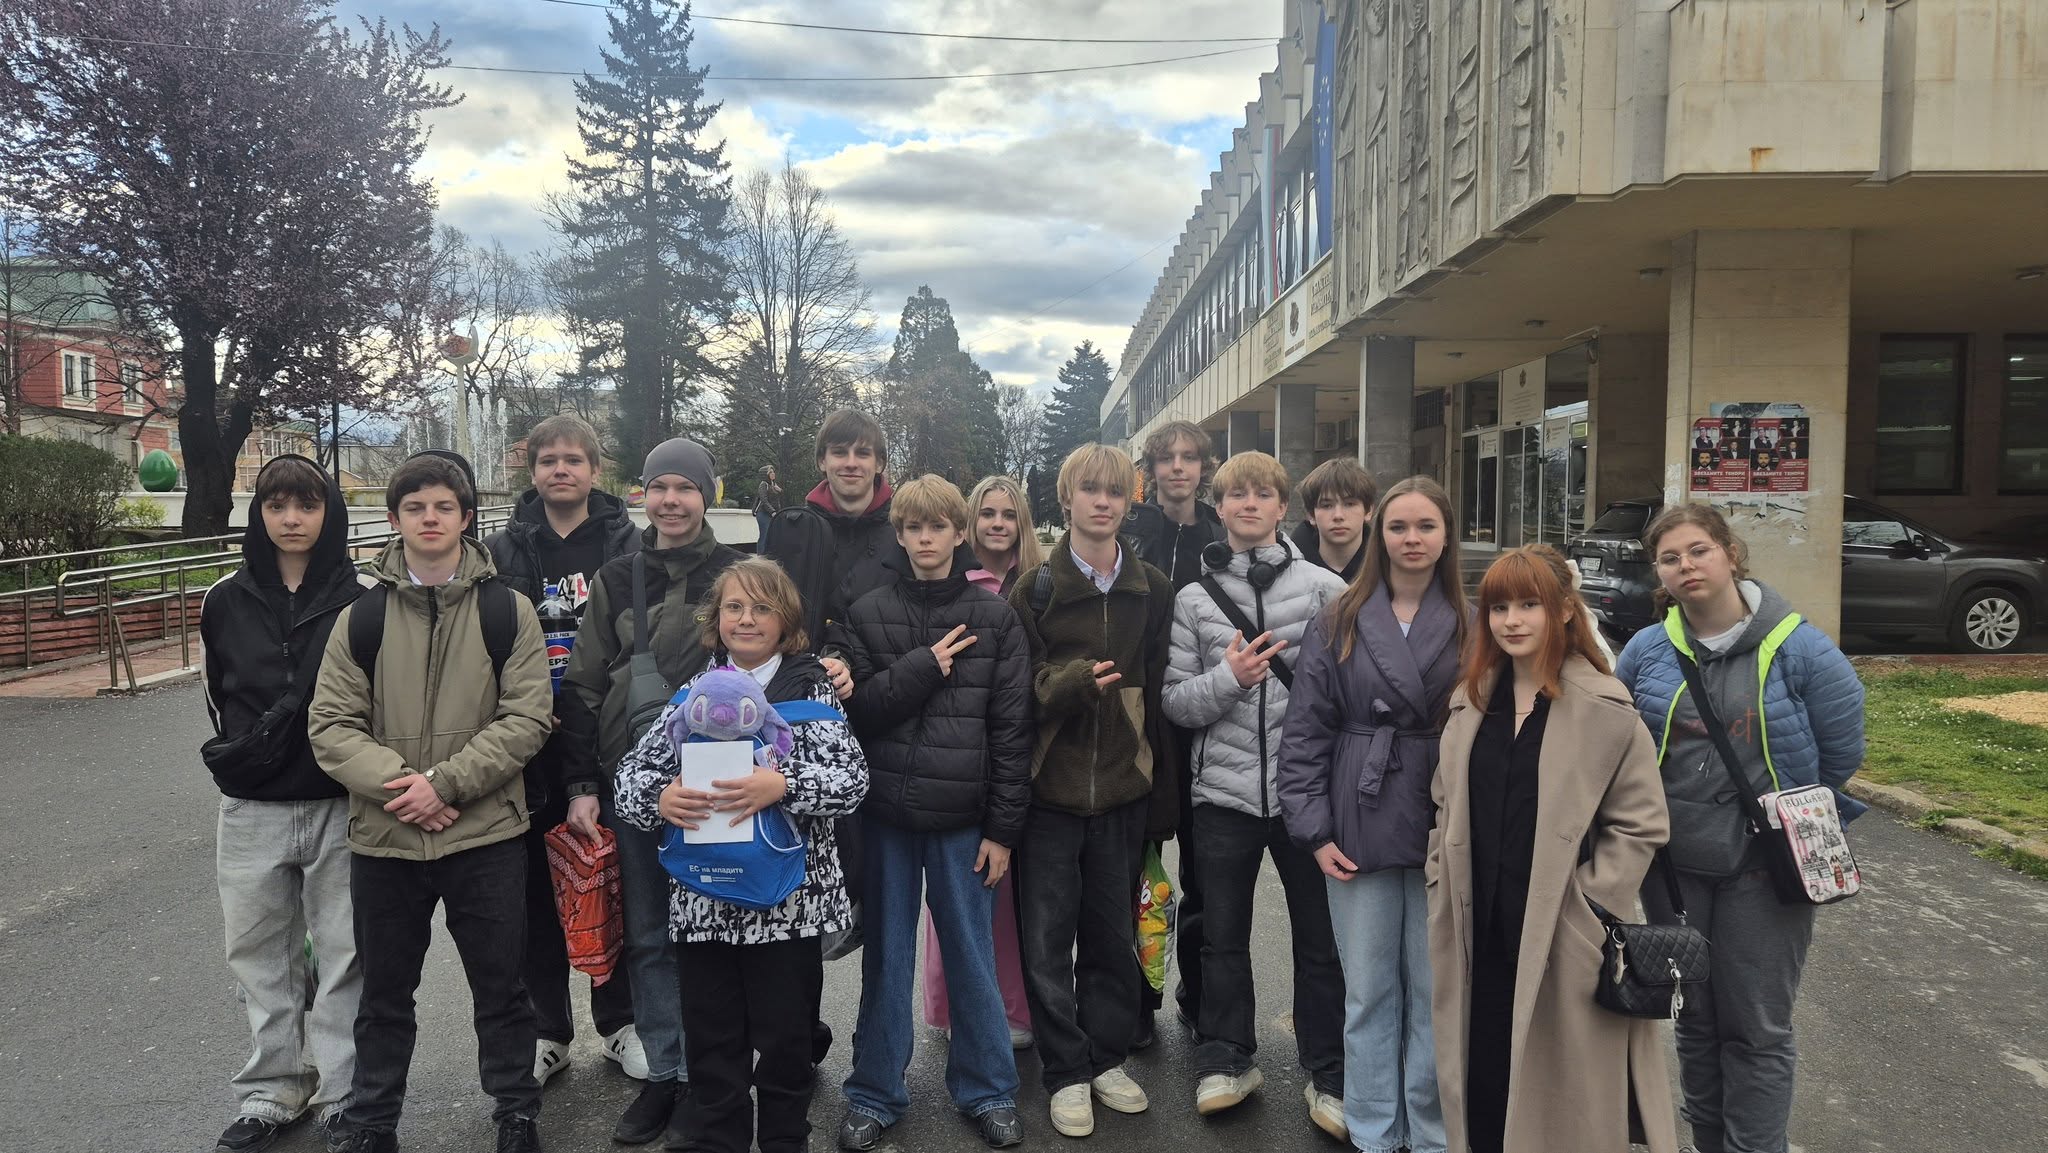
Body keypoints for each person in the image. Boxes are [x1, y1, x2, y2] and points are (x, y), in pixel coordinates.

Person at [307, 453, 555, 1153]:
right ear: (394, 519)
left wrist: (442, 785)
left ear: (466, 517)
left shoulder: (508, 612)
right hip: (386, 839)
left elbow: (527, 717)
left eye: (444, 506)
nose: (430, 519)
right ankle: (373, 1121)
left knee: (502, 988)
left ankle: (515, 1112)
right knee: (384, 995)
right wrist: (406, 788)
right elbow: (332, 725)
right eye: (415, 508)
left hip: (485, 835)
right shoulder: (362, 618)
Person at [1614, 504, 1866, 1153]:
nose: (1686, 566)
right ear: (1659, 573)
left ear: (1730, 552)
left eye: (1698, 550)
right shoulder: (1647, 651)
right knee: (1695, 1019)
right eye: (1670, 558)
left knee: (1756, 1027)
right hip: (1675, 869)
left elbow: (1841, 751)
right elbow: (1616, 742)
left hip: (1766, 868)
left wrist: (1780, 817)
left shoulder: (1801, 648)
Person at [612, 557, 869, 1153]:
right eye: (734, 607)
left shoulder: (811, 687)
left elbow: (852, 781)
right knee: (712, 1043)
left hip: (789, 907)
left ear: (787, 621)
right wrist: (660, 796)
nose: (746, 619)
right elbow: (630, 779)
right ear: (715, 618)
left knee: (785, 1043)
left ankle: (784, 1139)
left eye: (761, 607)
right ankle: (718, 1140)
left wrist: (784, 784)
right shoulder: (694, 694)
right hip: (704, 904)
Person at [1427, 545, 1676, 1153]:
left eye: (1529, 605)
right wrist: (1439, 877)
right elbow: (1443, 803)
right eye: (1499, 607)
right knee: (1481, 1072)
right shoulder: (1470, 702)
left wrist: (1589, 906)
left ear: (1564, 609)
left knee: (1560, 1095)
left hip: (1560, 926)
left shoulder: (1604, 708)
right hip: (1477, 921)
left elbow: (1640, 822)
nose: (1512, 621)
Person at [836, 475, 1032, 1150]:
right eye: (913, 527)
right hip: (887, 816)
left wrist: (1003, 829)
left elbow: (1012, 731)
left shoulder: (995, 618)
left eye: (937, 526)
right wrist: (922, 666)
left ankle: (988, 1088)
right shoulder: (868, 612)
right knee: (887, 959)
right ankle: (873, 1091)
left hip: (964, 821)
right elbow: (859, 713)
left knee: (972, 958)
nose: (925, 538)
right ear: (899, 534)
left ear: (958, 533)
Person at [558, 437, 741, 1146]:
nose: (671, 500)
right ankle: (666, 1069)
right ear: (643, 494)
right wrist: (583, 783)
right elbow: (584, 683)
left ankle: (713, 1073)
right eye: (659, 486)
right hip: (632, 780)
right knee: (650, 933)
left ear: (707, 495)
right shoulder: (617, 577)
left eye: (685, 487)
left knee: (718, 930)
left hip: (719, 782)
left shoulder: (740, 573)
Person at [1277, 475, 1466, 1153]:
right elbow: (1305, 732)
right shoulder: (1338, 619)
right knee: (1368, 989)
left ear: (1446, 536)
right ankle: (1373, 1127)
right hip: (1360, 811)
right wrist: (1313, 829)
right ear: (1379, 534)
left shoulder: (1474, 620)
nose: (1412, 539)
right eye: (1399, 526)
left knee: (1437, 990)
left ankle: (1434, 1131)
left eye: (1426, 526)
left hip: (1446, 815)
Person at [1160, 452, 1346, 1132]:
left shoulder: (1326, 589)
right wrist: (1230, 679)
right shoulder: (1193, 598)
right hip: (1223, 796)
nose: (1248, 503)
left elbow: (1350, 691)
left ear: (1281, 507)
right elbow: (1176, 702)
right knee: (1221, 938)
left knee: (1321, 940)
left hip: (1308, 798)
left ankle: (1331, 1071)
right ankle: (1225, 1058)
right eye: (1235, 494)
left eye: (1261, 493)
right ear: (1219, 508)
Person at [1009, 444, 1178, 1139]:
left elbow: (1160, 696)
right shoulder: (1034, 590)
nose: (1103, 501)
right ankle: (1066, 1071)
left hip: (1122, 793)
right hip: (1048, 797)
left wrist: (1159, 796)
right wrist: (1069, 684)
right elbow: (1016, 691)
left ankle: (1107, 1058)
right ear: (1066, 498)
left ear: (1128, 501)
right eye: (1090, 490)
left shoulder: (1152, 588)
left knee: (1112, 938)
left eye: (1115, 491)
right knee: (1047, 943)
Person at [201, 455, 366, 1153]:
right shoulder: (223, 597)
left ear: (329, 513)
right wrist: (246, 750)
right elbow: (217, 691)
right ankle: (273, 1087)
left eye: (307, 505)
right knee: (258, 954)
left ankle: (343, 1092)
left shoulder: (362, 597)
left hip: (341, 800)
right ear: (259, 513)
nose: (291, 519)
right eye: (276, 506)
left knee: (345, 952)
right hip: (253, 805)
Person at [484, 414, 645, 1089]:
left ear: (595, 469)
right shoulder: (501, 548)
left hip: (606, 736)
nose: (560, 470)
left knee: (614, 882)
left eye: (573, 459)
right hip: (527, 742)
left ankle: (622, 1023)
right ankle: (547, 1031)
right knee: (533, 894)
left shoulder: (628, 543)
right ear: (532, 470)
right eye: (548, 460)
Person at [756, 408, 902, 1062]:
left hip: (882, 720)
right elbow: (767, 612)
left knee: (876, 895)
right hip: (802, 720)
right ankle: (798, 1032)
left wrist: (858, 666)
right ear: (822, 460)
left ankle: (878, 1049)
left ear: (878, 462)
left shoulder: (899, 529)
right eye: (839, 451)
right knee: (800, 885)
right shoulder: (792, 526)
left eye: (862, 452)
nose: (850, 462)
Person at [920, 474, 1042, 1047]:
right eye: (988, 513)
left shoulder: (1038, 582)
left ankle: (1015, 1007)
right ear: (970, 524)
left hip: (1023, 749)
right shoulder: (953, 581)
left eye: (1008, 514)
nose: (998, 524)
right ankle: (950, 1008)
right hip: (962, 753)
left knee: (1013, 898)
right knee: (960, 888)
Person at [1120, 419, 1223, 1045]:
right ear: (1152, 469)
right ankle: (1138, 1002)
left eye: (1189, 457)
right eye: (1167, 458)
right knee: (1140, 873)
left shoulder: (1220, 534)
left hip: (1209, 720)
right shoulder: (1131, 532)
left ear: (1204, 468)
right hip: (1144, 721)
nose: (1178, 467)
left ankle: (1200, 996)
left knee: (1206, 876)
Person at [1290, 456, 1377, 583]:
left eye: (1349, 504)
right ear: (1311, 515)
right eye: (1327, 506)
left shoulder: (1388, 568)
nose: (1338, 515)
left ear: (1368, 511)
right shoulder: (1286, 572)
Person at [753, 464, 783, 546]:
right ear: (765, 475)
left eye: (773, 472)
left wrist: (780, 490)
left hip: (771, 513)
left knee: (772, 536)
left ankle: (768, 553)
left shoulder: (773, 485)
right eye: (770, 472)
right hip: (763, 513)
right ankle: (761, 553)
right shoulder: (763, 485)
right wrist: (772, 511)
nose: (773, 474)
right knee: (764, 536)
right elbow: (764, 500)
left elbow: (776, 500)